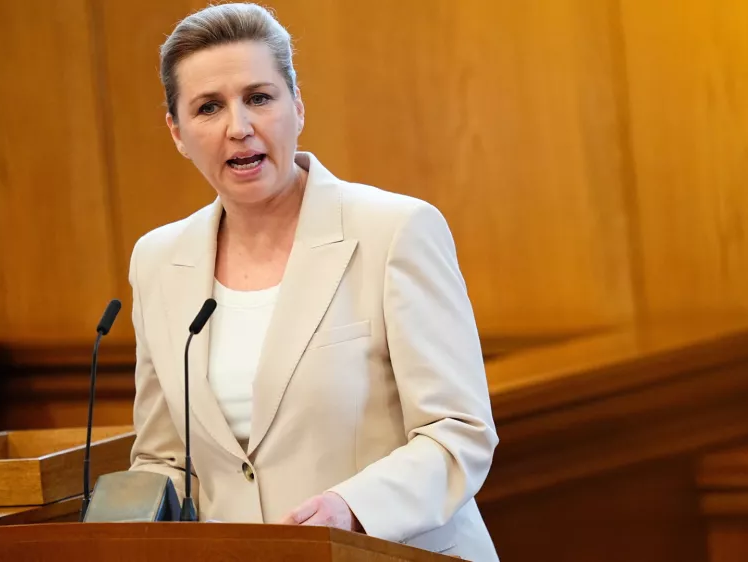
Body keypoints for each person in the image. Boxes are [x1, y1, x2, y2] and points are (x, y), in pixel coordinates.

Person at [126, 3, 500, 560]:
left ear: (297, 106)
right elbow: (163, 459)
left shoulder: (395, 231)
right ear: (177, 133)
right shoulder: (157, 261)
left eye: (259, 97)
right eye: (209, 107)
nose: (239, 127)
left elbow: (458, 432)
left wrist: (353, 507)